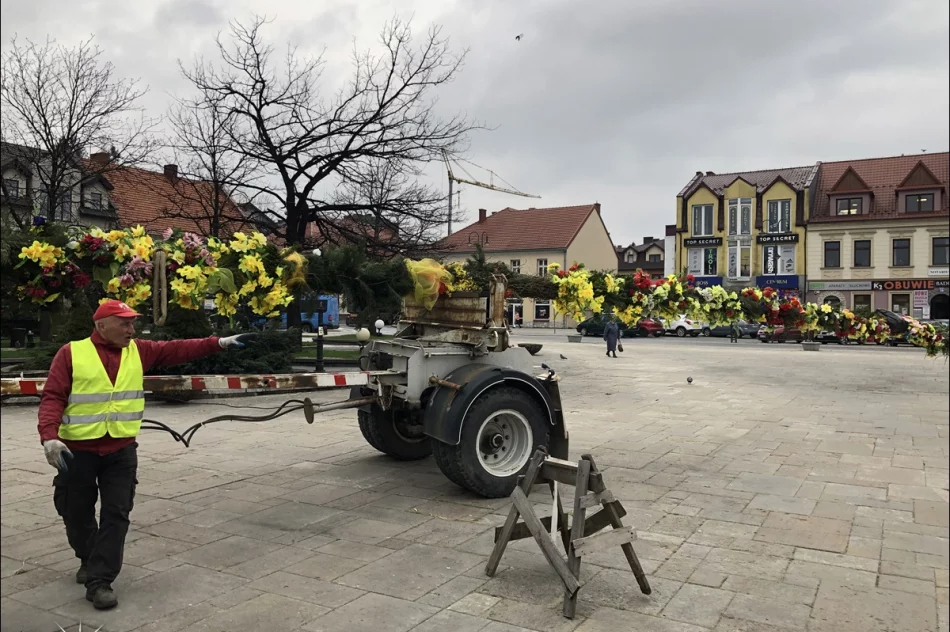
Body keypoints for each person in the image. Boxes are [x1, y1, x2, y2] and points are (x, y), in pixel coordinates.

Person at [37, 299, 254, 610]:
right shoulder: (71, 353)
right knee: (76, 511)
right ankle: (88, 558)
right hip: (77, 451)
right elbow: (54, 396)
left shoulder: (138, 350)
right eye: (124, 323)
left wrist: (219, 342)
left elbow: (178, 349)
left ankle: (100, 580)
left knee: (117, 513)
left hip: (120, 450)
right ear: (102, 326)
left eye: (132, 323)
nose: (131, 328)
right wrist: (49, 437)